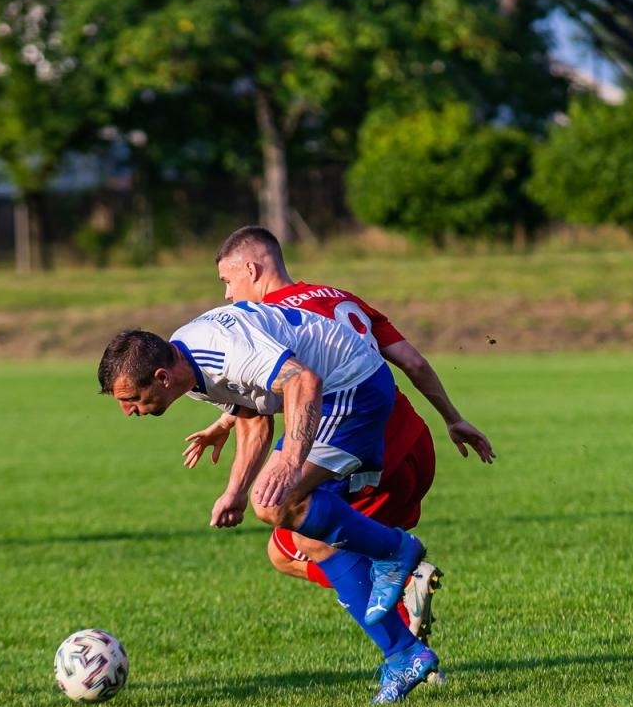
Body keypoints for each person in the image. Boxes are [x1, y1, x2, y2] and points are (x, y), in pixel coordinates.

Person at [98, 307, 441, 704]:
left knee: (276, 502)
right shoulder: (187, 369)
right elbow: (252, 413)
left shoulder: (221, 352)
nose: (128, 410)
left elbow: (303, 379)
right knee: (307, 539)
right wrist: (236, 490)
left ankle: (395, 551)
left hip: (350, 388)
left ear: (160, 377)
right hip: (330, 394)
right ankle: (404, 654)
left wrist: (292, 462)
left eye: (130, 399)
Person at [181, 226, 495, 643]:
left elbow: (292, 382)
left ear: (252, 270)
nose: (226, 295)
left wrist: (233, 426)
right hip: (415, 444)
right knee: (295, 544)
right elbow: (413, 362)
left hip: (361, 452)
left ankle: (404, 624)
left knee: (293, 546)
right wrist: (453, 418)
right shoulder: (337, 298)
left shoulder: (266, 321)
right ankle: (402, 611)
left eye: (227, 281)